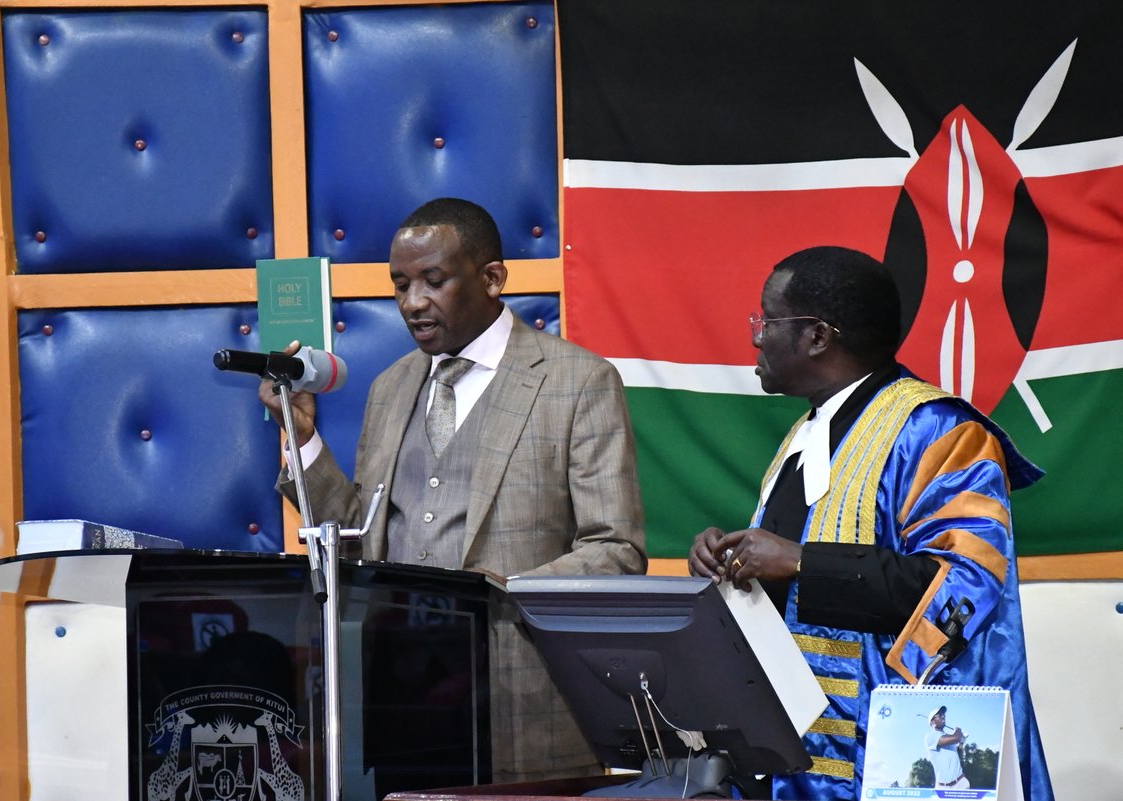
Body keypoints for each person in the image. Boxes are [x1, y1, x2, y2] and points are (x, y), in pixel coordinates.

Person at [260, 197, 646, 782]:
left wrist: (493, 593)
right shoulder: (391, 388)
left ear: (492, 278)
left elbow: (616, 551)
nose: (413, 303)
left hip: (522, 701)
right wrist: (304, 439)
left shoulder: (578, 382)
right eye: (400, 284)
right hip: (397, 703)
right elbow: (357, 540)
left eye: (433, 281)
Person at [687, 246, 1052, 801]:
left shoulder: (940, 432)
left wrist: (800, 561)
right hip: (791, 749)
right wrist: (735, 561)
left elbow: (965, 584)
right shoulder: (805, 436)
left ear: (817, 336)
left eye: (767, 319)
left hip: (887, 753)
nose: (756, 337)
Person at [924, 706, 969, 789]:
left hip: (961, 782)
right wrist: (958, 730)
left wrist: (962, 742)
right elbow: (956, 738)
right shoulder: (930, 737)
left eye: (943, 714)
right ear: (933, 722)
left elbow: (957, 753)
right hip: (943, 787)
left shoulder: (948, 737)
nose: (943, 716)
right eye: (939, 715)